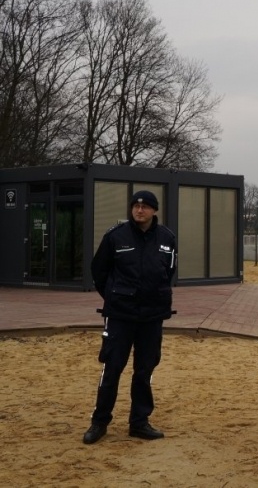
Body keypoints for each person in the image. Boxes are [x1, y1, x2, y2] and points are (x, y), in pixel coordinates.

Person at [82, 190, 177, 445]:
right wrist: (115, 296)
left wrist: (155, 295)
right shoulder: (116, 236)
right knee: (112, 368)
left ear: (154, 210)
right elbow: (99, 271)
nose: (139, 210)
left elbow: (169, 272)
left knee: (145, 370)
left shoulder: (167, 238)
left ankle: (139, 422)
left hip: (152, 317)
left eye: (145, 206)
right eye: (136, 205)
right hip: (120, 316)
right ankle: (99, 422)